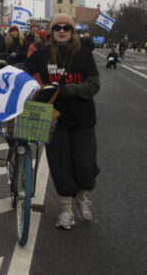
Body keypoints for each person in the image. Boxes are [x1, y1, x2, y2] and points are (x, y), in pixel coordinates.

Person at [24, 13, 100, 231]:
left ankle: (81, 196)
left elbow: (94, 84)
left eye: (67, 28)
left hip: (82, 119)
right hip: (53, 119)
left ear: (72, 31)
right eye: (58, 28)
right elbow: (24, 69)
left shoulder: (84, 55)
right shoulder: (43, 54)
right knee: (59, 166)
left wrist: (68, 90)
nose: (62, 31)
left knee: (86, 166)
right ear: (52, 32)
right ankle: (66, 212)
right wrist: (22, 82)